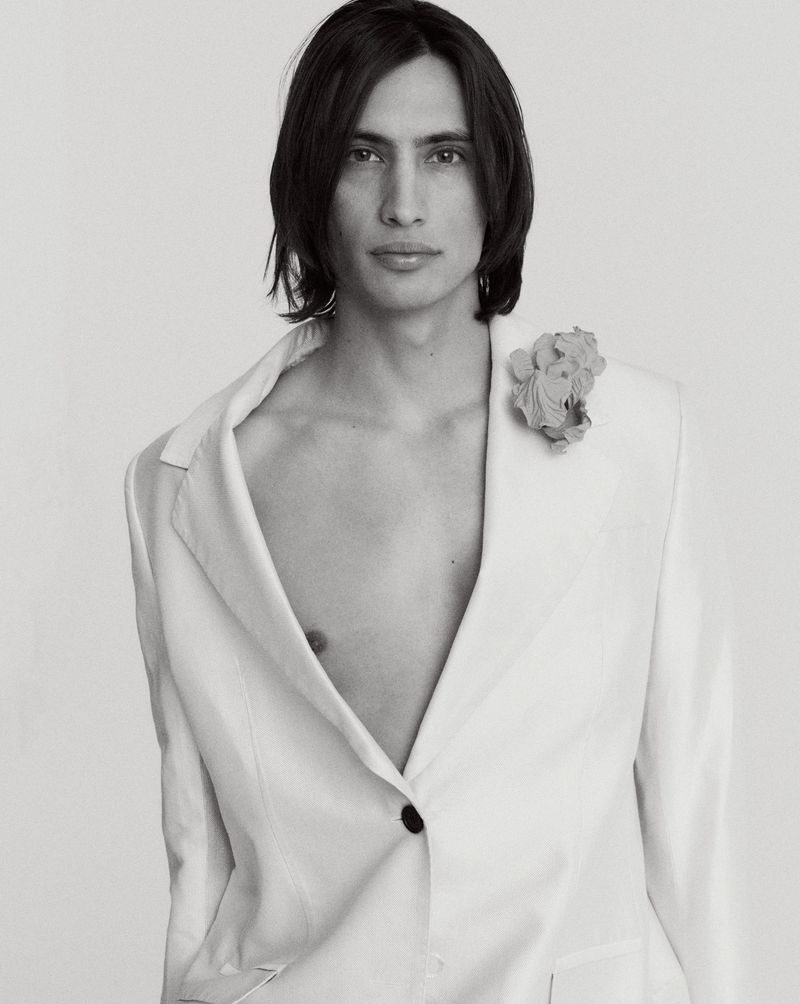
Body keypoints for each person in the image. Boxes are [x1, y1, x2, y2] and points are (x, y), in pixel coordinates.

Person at [125, 1, 739, 1001]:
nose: (403, 203)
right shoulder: (189, 481)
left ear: (497, 181)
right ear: (311, 181)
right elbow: (197, 854)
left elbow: (694, 812)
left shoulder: (640, 441)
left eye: (444, 155)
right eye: (362, 155)